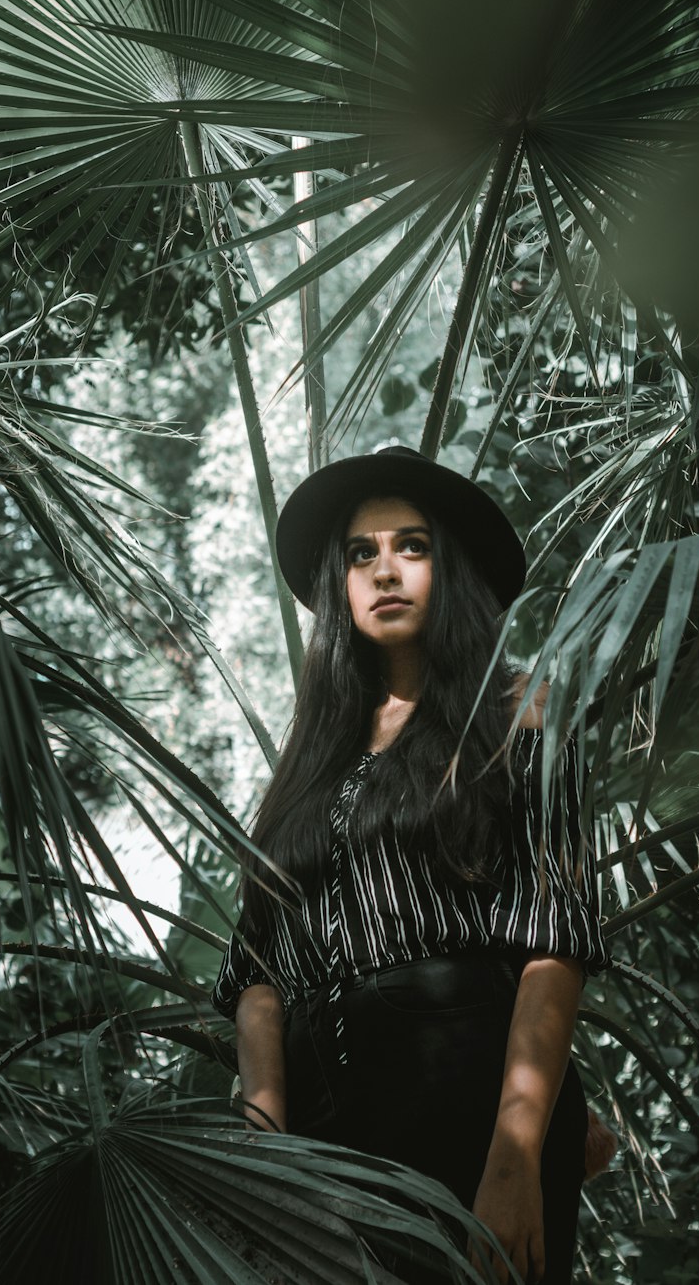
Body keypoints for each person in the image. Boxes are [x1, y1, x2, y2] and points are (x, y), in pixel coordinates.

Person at [213, 446, 610, 1284]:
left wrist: (515, 1159)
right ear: (339, 581)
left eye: (412, 546)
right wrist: (266, 1152)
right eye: (362, 553)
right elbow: (256, 973)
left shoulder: (518, 714)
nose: (385, 571)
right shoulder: (311, 758)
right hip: (329, 1124)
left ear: (449, 568)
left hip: (468, 1088)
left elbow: (552, 941)